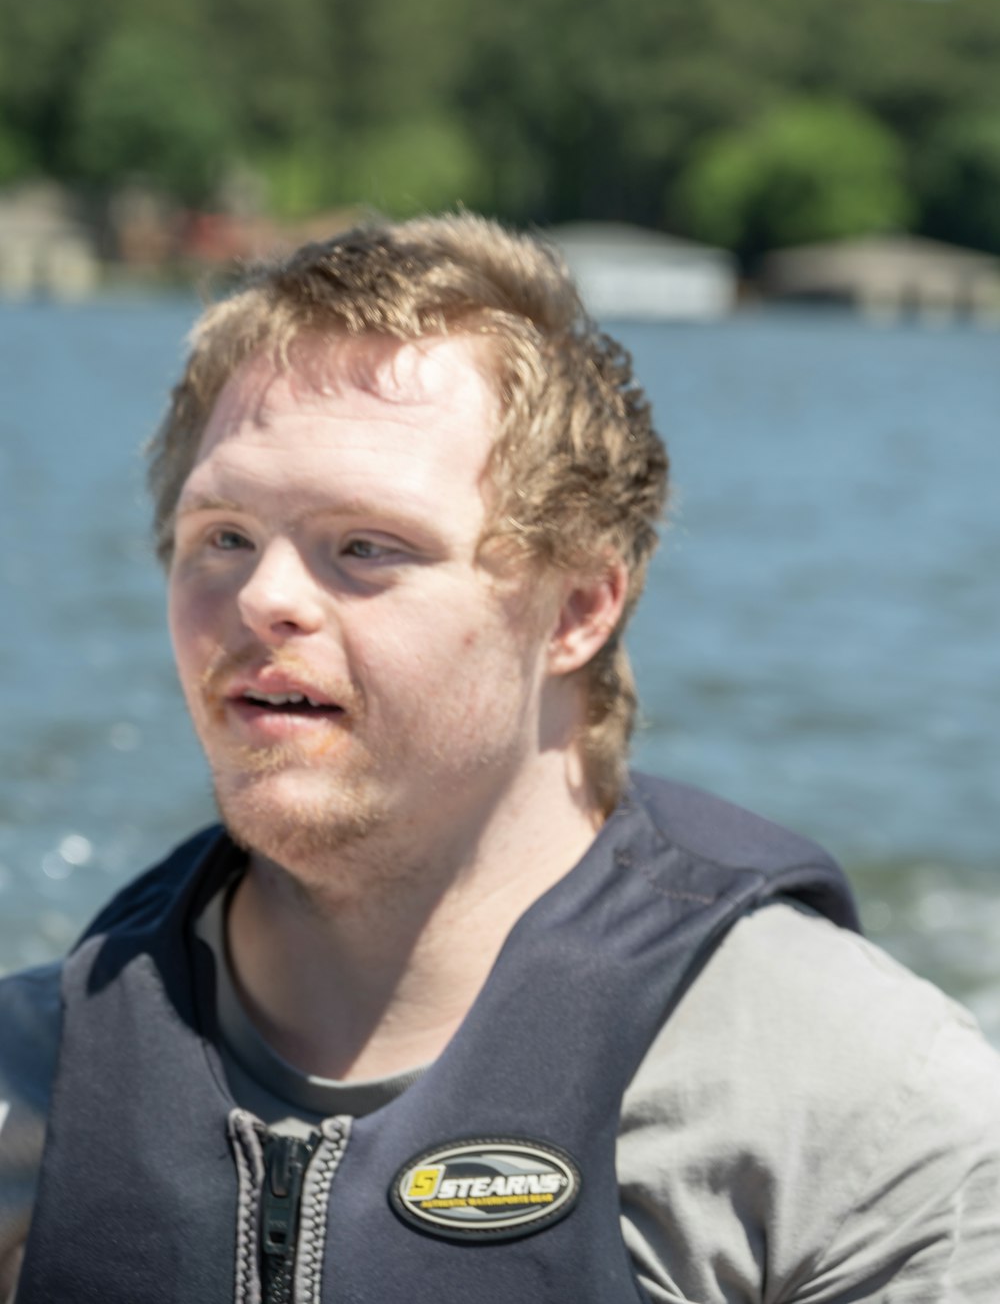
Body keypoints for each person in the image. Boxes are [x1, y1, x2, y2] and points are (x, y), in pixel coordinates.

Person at [1, 212, 998, 1302]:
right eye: (223, 537)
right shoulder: (35, 1078)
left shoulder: (859, 1106)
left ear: (577, 607)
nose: (263, 598)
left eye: (366, 547)